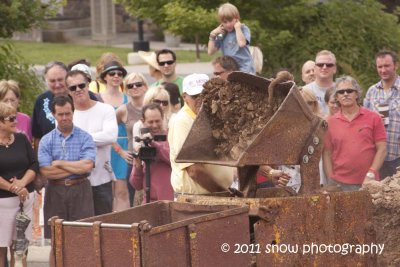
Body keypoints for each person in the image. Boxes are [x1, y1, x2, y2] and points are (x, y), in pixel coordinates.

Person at [38, 95, 96, 240]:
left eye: (67, 113)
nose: (64, 117)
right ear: (53, 115)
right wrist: (76, 166)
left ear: (73, 112)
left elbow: (87, 166)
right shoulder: (46, 140)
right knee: (56, 238)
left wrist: (60, 163)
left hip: (81, 189)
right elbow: (46, 171)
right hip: (55, 191)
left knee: (83, 237)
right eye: (60, 114)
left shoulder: (85, 137)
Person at [169, 73, 234, 194]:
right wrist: (221, 192)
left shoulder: (214, 115)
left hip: (215, 195)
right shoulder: (183, 121)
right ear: (184, 97)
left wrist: (269, 172)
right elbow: (194, 170)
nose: (201, 100)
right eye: (195, 96)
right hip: (196, 198)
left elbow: (238, 152)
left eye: (205, 95)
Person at [66, 70, 118, 215]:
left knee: (104, 225)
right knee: (79, 229)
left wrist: (79, 139)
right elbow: (63, 144)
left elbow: (111, 136)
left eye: (81, 85)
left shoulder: (105, 109)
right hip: (75, 182)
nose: (78, 90)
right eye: (72, 87)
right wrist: (95, 139)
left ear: (88, 84)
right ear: (68, 91)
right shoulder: (66, 115)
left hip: (102, 180)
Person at [323, 76, 387, 191]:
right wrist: (330, 179)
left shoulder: (374, 118)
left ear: (357, 94)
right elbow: (327, 153)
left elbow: (382, 149)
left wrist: (371, 174)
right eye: (341, 92)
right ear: (337, 97)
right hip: (339, 184)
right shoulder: (329, 122)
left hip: (369, 183)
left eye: (349, 90)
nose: (345, 94)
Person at [0, 102, 38, 267]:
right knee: (1, 249)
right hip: (2, 204)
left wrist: (22, 183)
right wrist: (13, 188)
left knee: (21, 247)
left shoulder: (22, 138)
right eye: (11, 119)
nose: (16, 121)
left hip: (25, 201)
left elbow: (34, 164)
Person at [97, 61, 131, 211]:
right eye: (112, 73)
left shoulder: (127, 98)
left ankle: (123, 227)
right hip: (105, 147)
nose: (116, 76)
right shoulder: (98, 99)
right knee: (106, 193)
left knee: (122, 191)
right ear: (105, 77)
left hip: (124, 145)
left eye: (120, 73)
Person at [364, 49, 400, 179]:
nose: (383, 70)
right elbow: (363, 122)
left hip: (398, 157)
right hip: (377, 159)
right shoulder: (372, 91)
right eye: (380, 67)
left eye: (387, 66)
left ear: (395, 65)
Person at [115, 72, 148, 206]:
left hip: (154, 160)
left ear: (145, 87)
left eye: (138, 84)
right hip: (134, 162)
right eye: (130, 85)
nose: (134, 87)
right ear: (125, 89)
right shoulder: (123, 110)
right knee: (135, 201)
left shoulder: (153, 105)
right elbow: (108, 132)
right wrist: (119, 151)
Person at [130, 103, 173, 203]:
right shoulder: (142, 144)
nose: (154, 125)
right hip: (149, 203)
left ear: (163, 118)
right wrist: (137, 163)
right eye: (150, 122)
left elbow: (172, 159)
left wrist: (154, 144)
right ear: (142, 121)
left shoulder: (171, 137)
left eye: (157, 121)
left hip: (170, 202)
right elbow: (136, 185)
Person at [208, 3, 255, 74]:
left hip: (245, 70)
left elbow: (242, 44)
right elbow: (211, 52)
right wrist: (212, 35)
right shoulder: (222, 34)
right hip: (230, 71)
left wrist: (237, 28)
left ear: (237, 18)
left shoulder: (243, 29)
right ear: (221, 22)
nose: (228, 24)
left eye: (230, 21)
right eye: (225, 22)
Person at [31, 61, 69, 150]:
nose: (57, 84)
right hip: (49, 160)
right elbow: (37, 136)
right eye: (52, 81)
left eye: (60, 79)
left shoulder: (79, 97)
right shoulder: (41, 100)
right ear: (46, 81)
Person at [304, 50, 337, 116]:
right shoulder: (304, 91)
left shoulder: (342, 91)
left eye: (329, 65)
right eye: (320, 65)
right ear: (315, 68)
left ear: (334, 69)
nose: (324, 67)